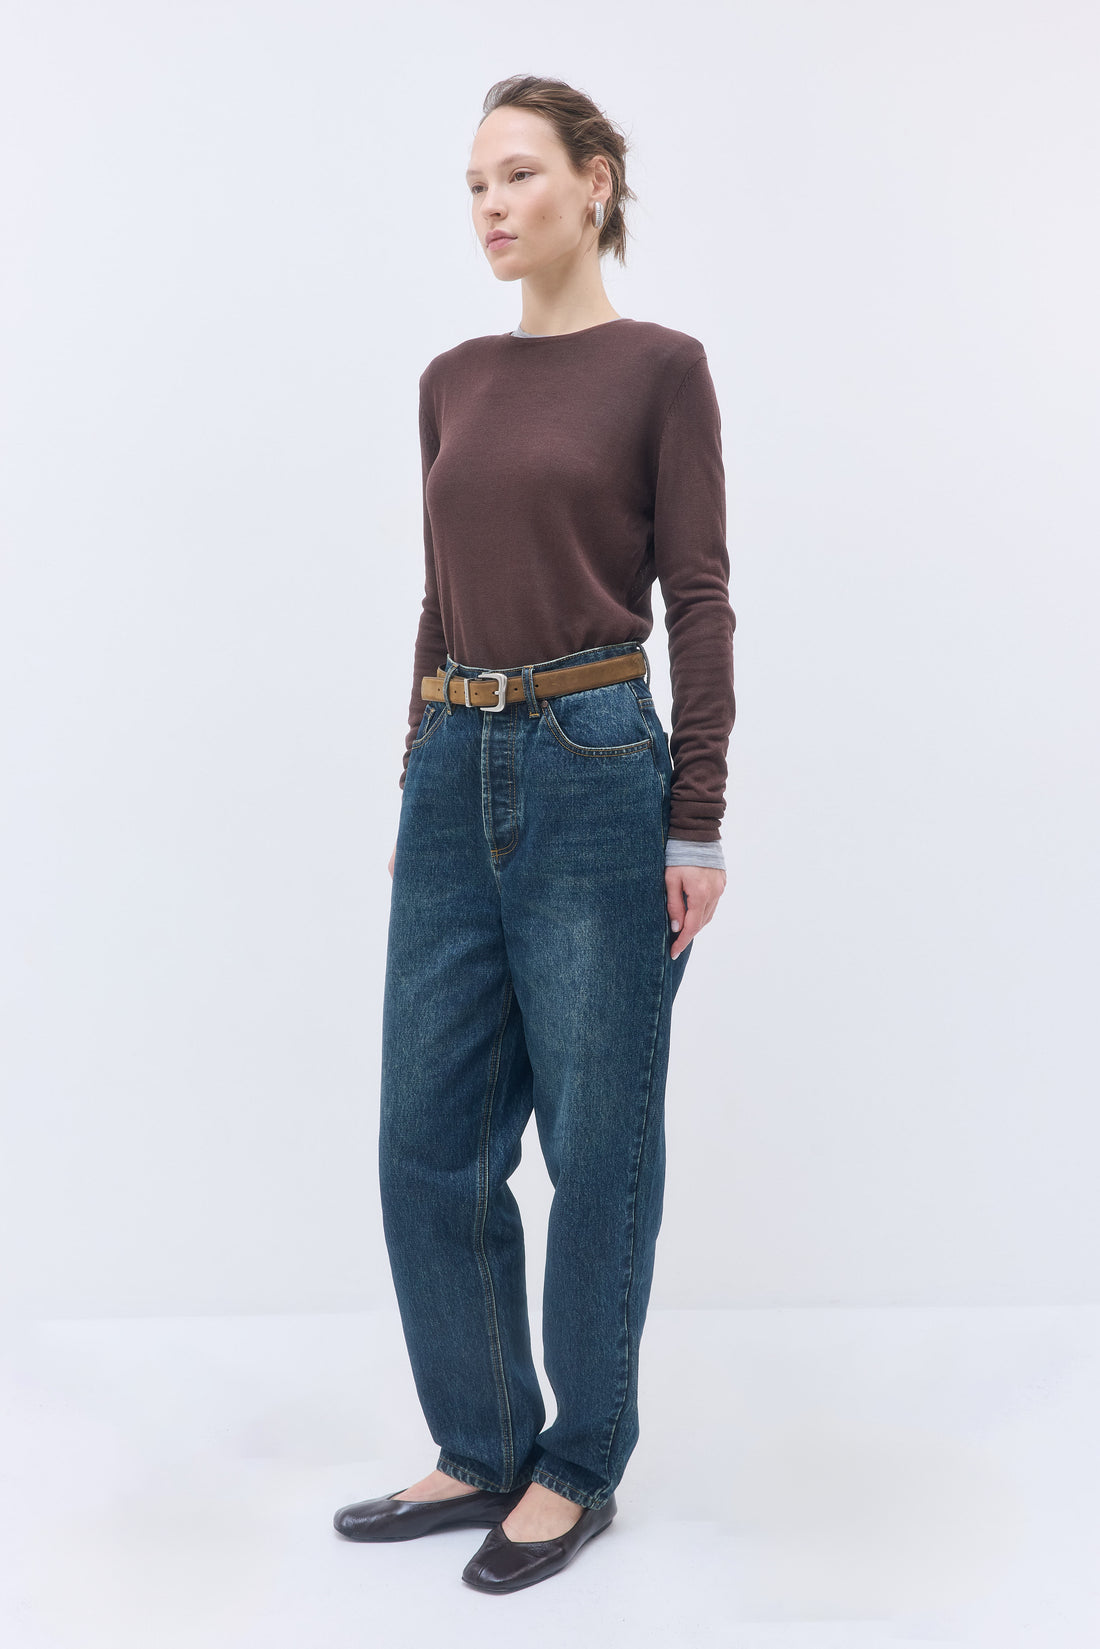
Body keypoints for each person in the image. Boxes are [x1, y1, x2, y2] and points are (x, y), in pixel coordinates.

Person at [333, 74, 736, 1595]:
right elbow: (439, 599)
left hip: (594, 760)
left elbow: (699, 597)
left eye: (517, 174)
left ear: (595, 180)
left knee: (595, 1140)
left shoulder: (661, 370)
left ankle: (577, 1465)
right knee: (426, 1140)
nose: (491, 206)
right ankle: (482, 1439)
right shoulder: (451, 379)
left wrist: (695, 820)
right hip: (456, 765)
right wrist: (418, 774)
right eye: (474, 185)